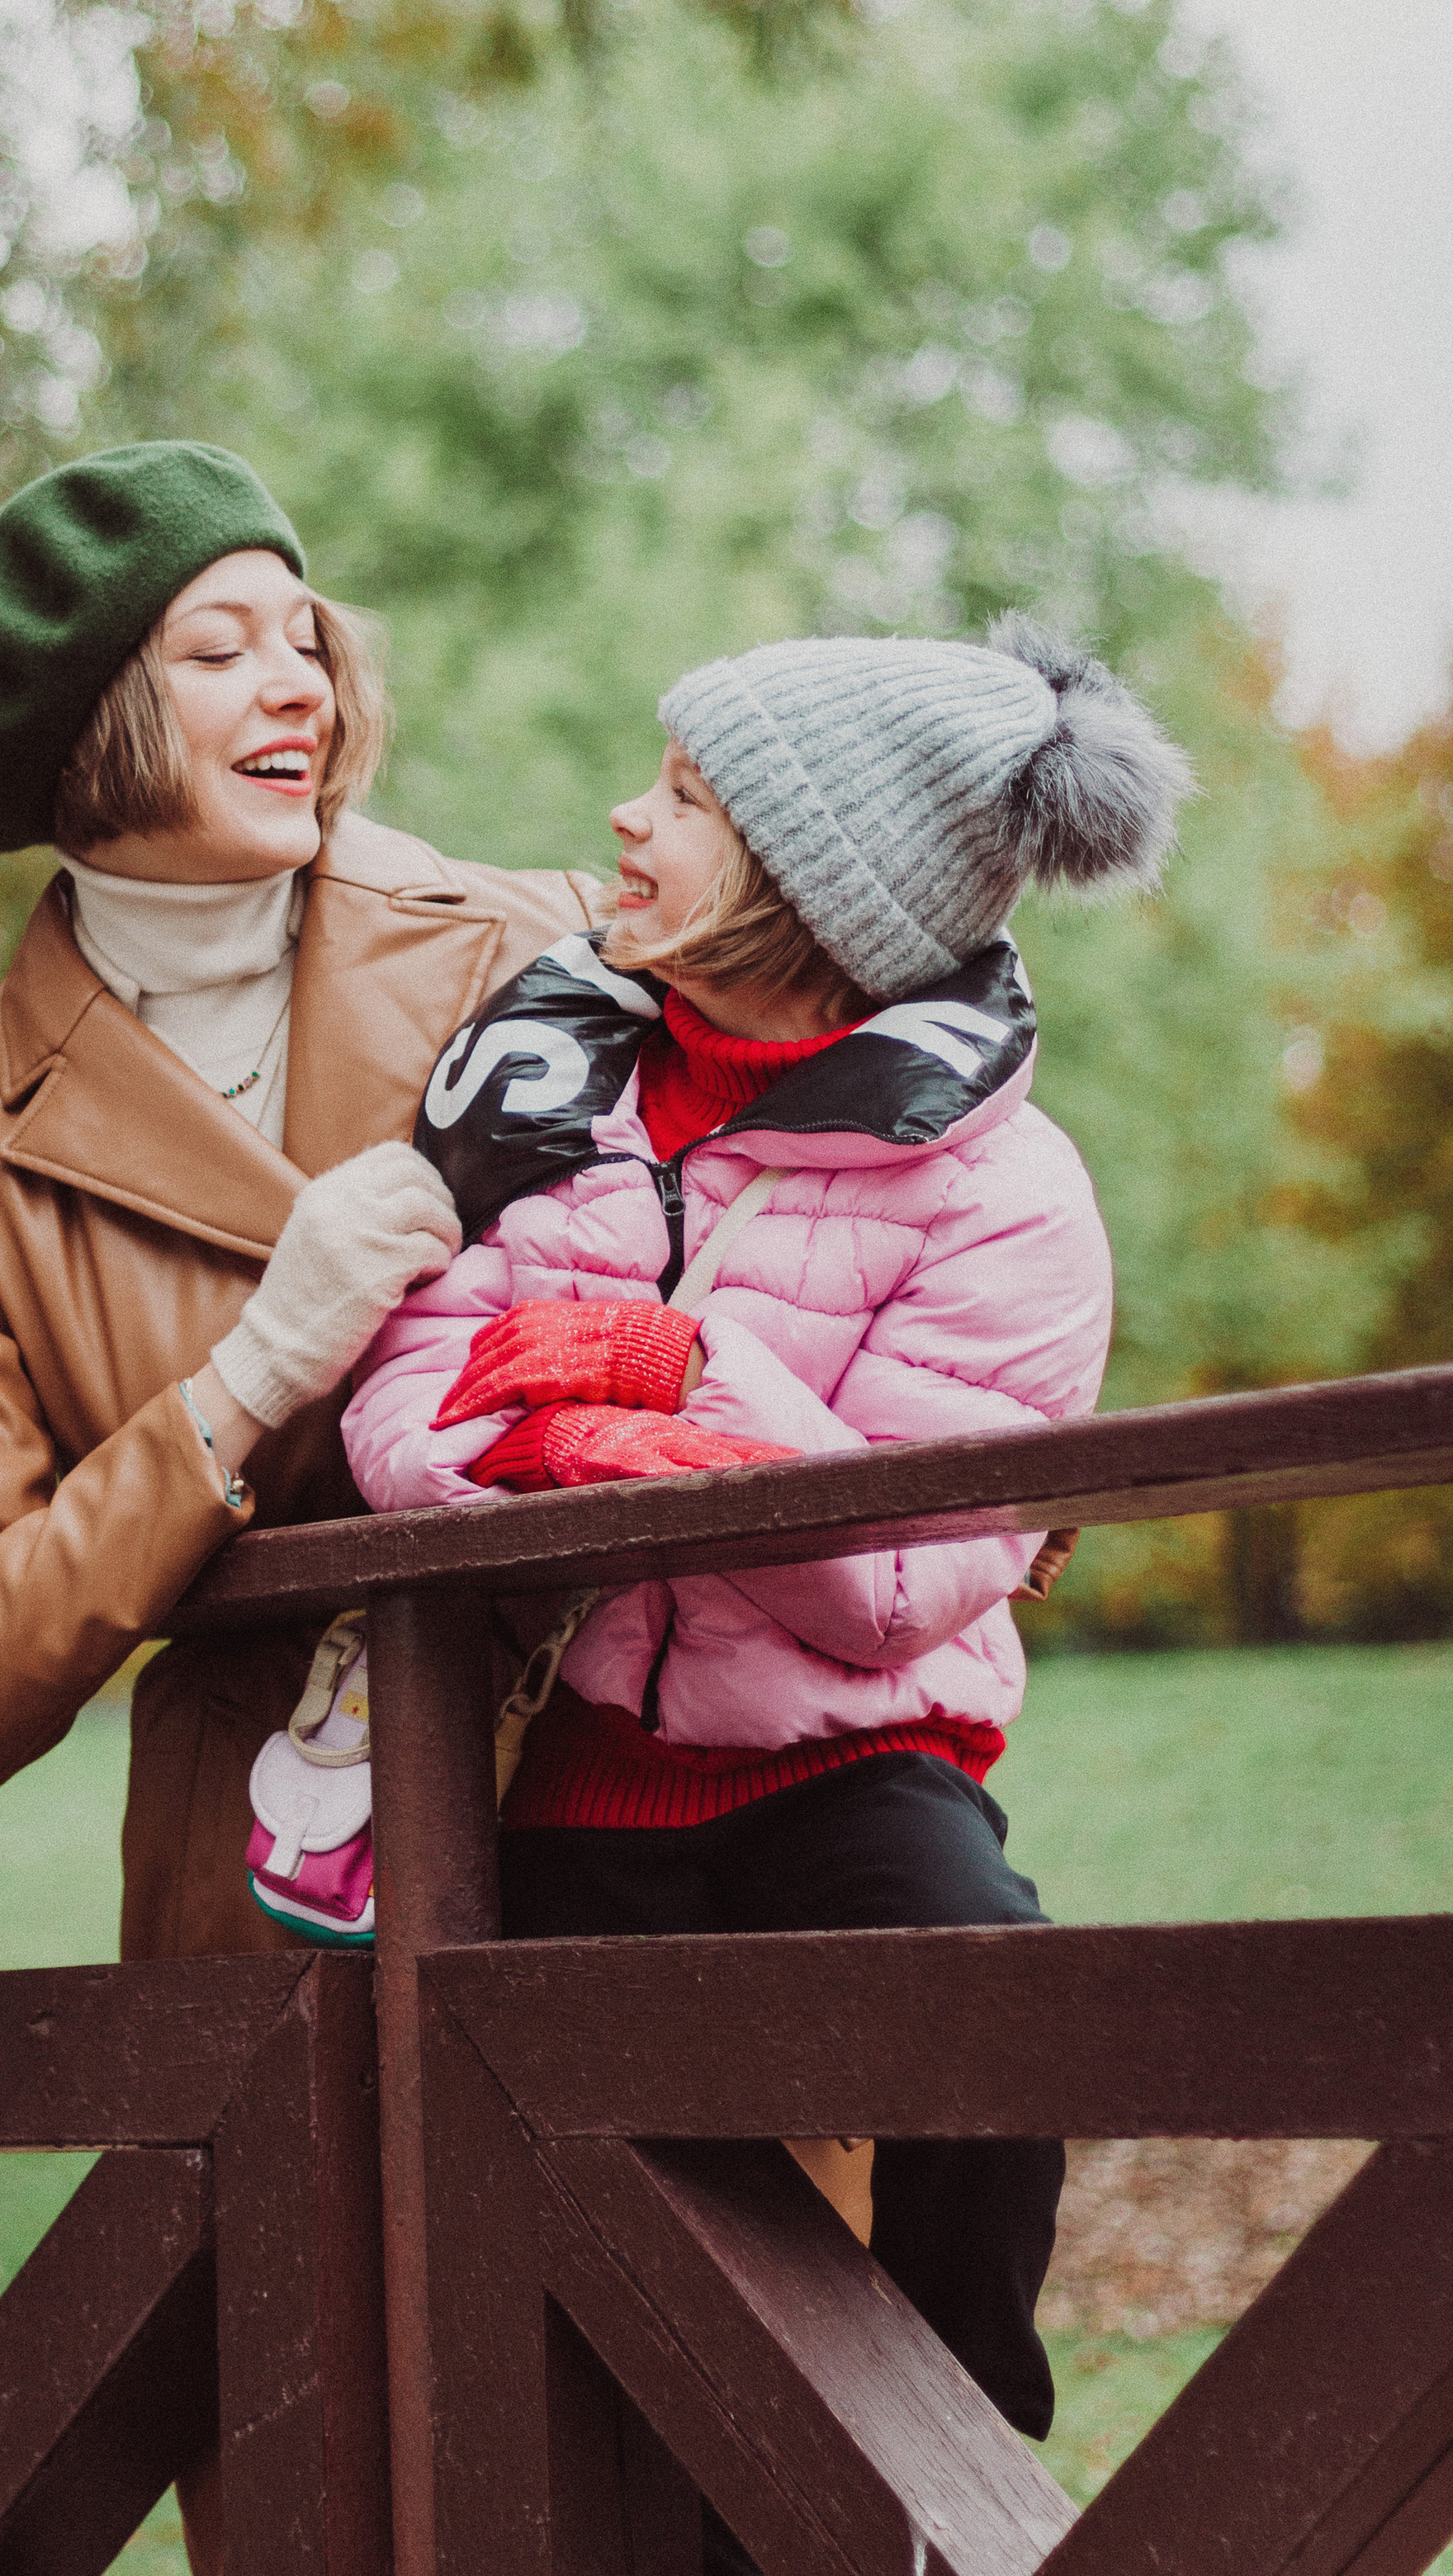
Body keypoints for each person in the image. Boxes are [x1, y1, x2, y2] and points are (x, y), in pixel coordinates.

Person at [342, 621, 1190, 2506]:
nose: (622, 822)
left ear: (815, 884)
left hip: (850, 1768)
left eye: (686, 801)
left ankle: (955, 2477)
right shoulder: (558, 1091)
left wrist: (671, 1375)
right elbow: (409, 1392)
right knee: (535, 2195)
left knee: (995, 2011)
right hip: (573, 1790)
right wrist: (531, 1449)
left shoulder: (1003, 1190)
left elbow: (896, 1574)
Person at [0, 439, 594, 2567]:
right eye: (216, 644)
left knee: (711, 2457)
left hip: (613, 1827)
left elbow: (869, 1183)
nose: (302, 683)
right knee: (321, 2504)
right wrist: (251, 1373)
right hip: (257, 1929)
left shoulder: (523, 945)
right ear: (95, 724)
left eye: (306, 632)